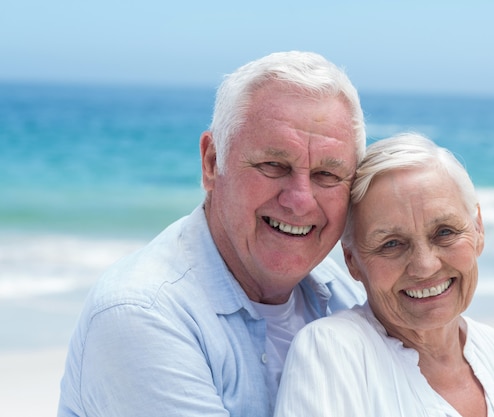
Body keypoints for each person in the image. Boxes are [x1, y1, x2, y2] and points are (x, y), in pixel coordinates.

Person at [57, 51, 367, 417]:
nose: (299, 201)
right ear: (211, 162)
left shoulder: (344, 296)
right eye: (273, 165)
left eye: (327, 175)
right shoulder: (143, 314)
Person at [274, 133, 494, 417]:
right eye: (391, 243)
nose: (425, 266)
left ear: (478, 229)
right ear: (352, 260)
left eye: (445, 233)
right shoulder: (331, 355)